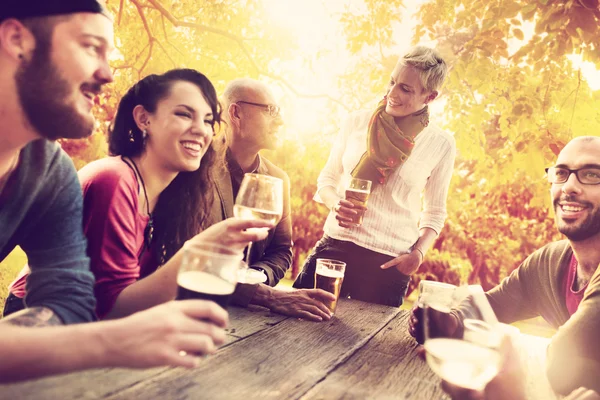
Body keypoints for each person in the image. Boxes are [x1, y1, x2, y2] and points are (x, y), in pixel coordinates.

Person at [0, 1, 228, 381]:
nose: (107, 74)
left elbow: (70, 300)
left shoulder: (51, 172)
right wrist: (108, 342)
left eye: (207, 119)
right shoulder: (111, 177)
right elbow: (105, 310)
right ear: (16, 39)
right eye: (91, 47)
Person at [6, 69, 273, 319]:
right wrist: (198, 254)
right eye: (184, 114)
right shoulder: (114, 179)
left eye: (207, 120)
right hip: (37, 318)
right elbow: (110, 308)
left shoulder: (176, 196)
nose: (201, 130)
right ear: (144, 119)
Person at [410, 136, 600, 395]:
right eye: (562, 173)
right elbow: (492, 305)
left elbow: (562, 359)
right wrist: (452, 322)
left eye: (591, 175)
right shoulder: (550, 262)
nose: (569, 187)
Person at [293, 46, 456, 307]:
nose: (391, 93)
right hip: (335, 247)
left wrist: (418, 254)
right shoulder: (356, 122)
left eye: (405, 88)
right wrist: (336, 204)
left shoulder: (441, 144)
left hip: (387, 266)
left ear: (430, 97)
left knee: (368, 347)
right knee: (291, 329)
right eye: (392, 82)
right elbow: (327, 181)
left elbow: (435, 213)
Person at [206, 78, 335, 322]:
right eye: (271, 110)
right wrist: (268, 296)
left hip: (246, 319)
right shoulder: (196, 165)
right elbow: (189, 253)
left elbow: (281, 251)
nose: (281, 121)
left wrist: (254, 278)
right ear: (236, 113)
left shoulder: (278, 179)